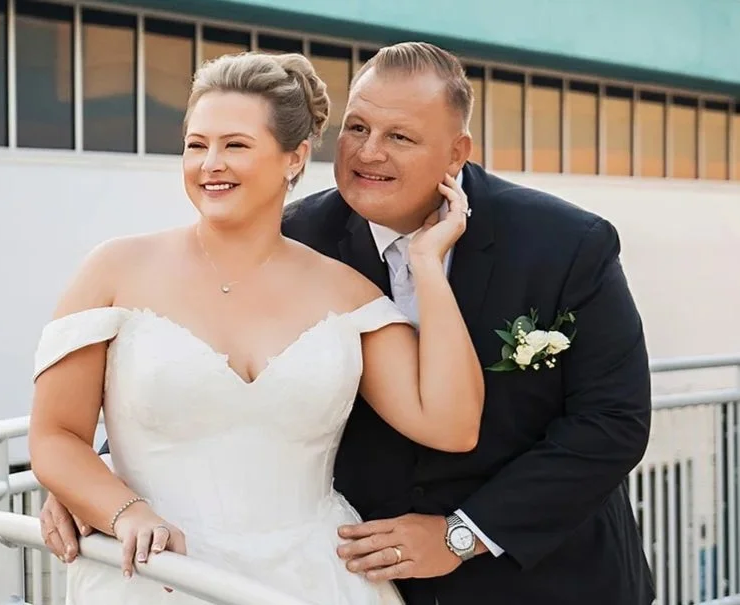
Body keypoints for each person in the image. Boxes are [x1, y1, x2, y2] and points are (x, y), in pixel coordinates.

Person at [40, 41, 655, 605]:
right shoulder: (292, 232)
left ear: (458, 152)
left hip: (540, 576)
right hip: (337, 568)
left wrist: (465, 536)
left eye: (399, 137)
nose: (368, 153)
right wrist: (95, 487)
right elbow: (188, 380)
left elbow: (613, 422)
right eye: (357, 127)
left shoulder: (566, 244)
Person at [28, 50, 484, 605]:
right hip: (155, 572)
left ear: (294, 157)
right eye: (197, 145)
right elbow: (55, 435)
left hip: (317, 577)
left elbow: (452, 425)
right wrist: (120, 508)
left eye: (235, 145)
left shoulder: (349, 294)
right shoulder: (115, 270)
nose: (209, 164)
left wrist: (428, 264)